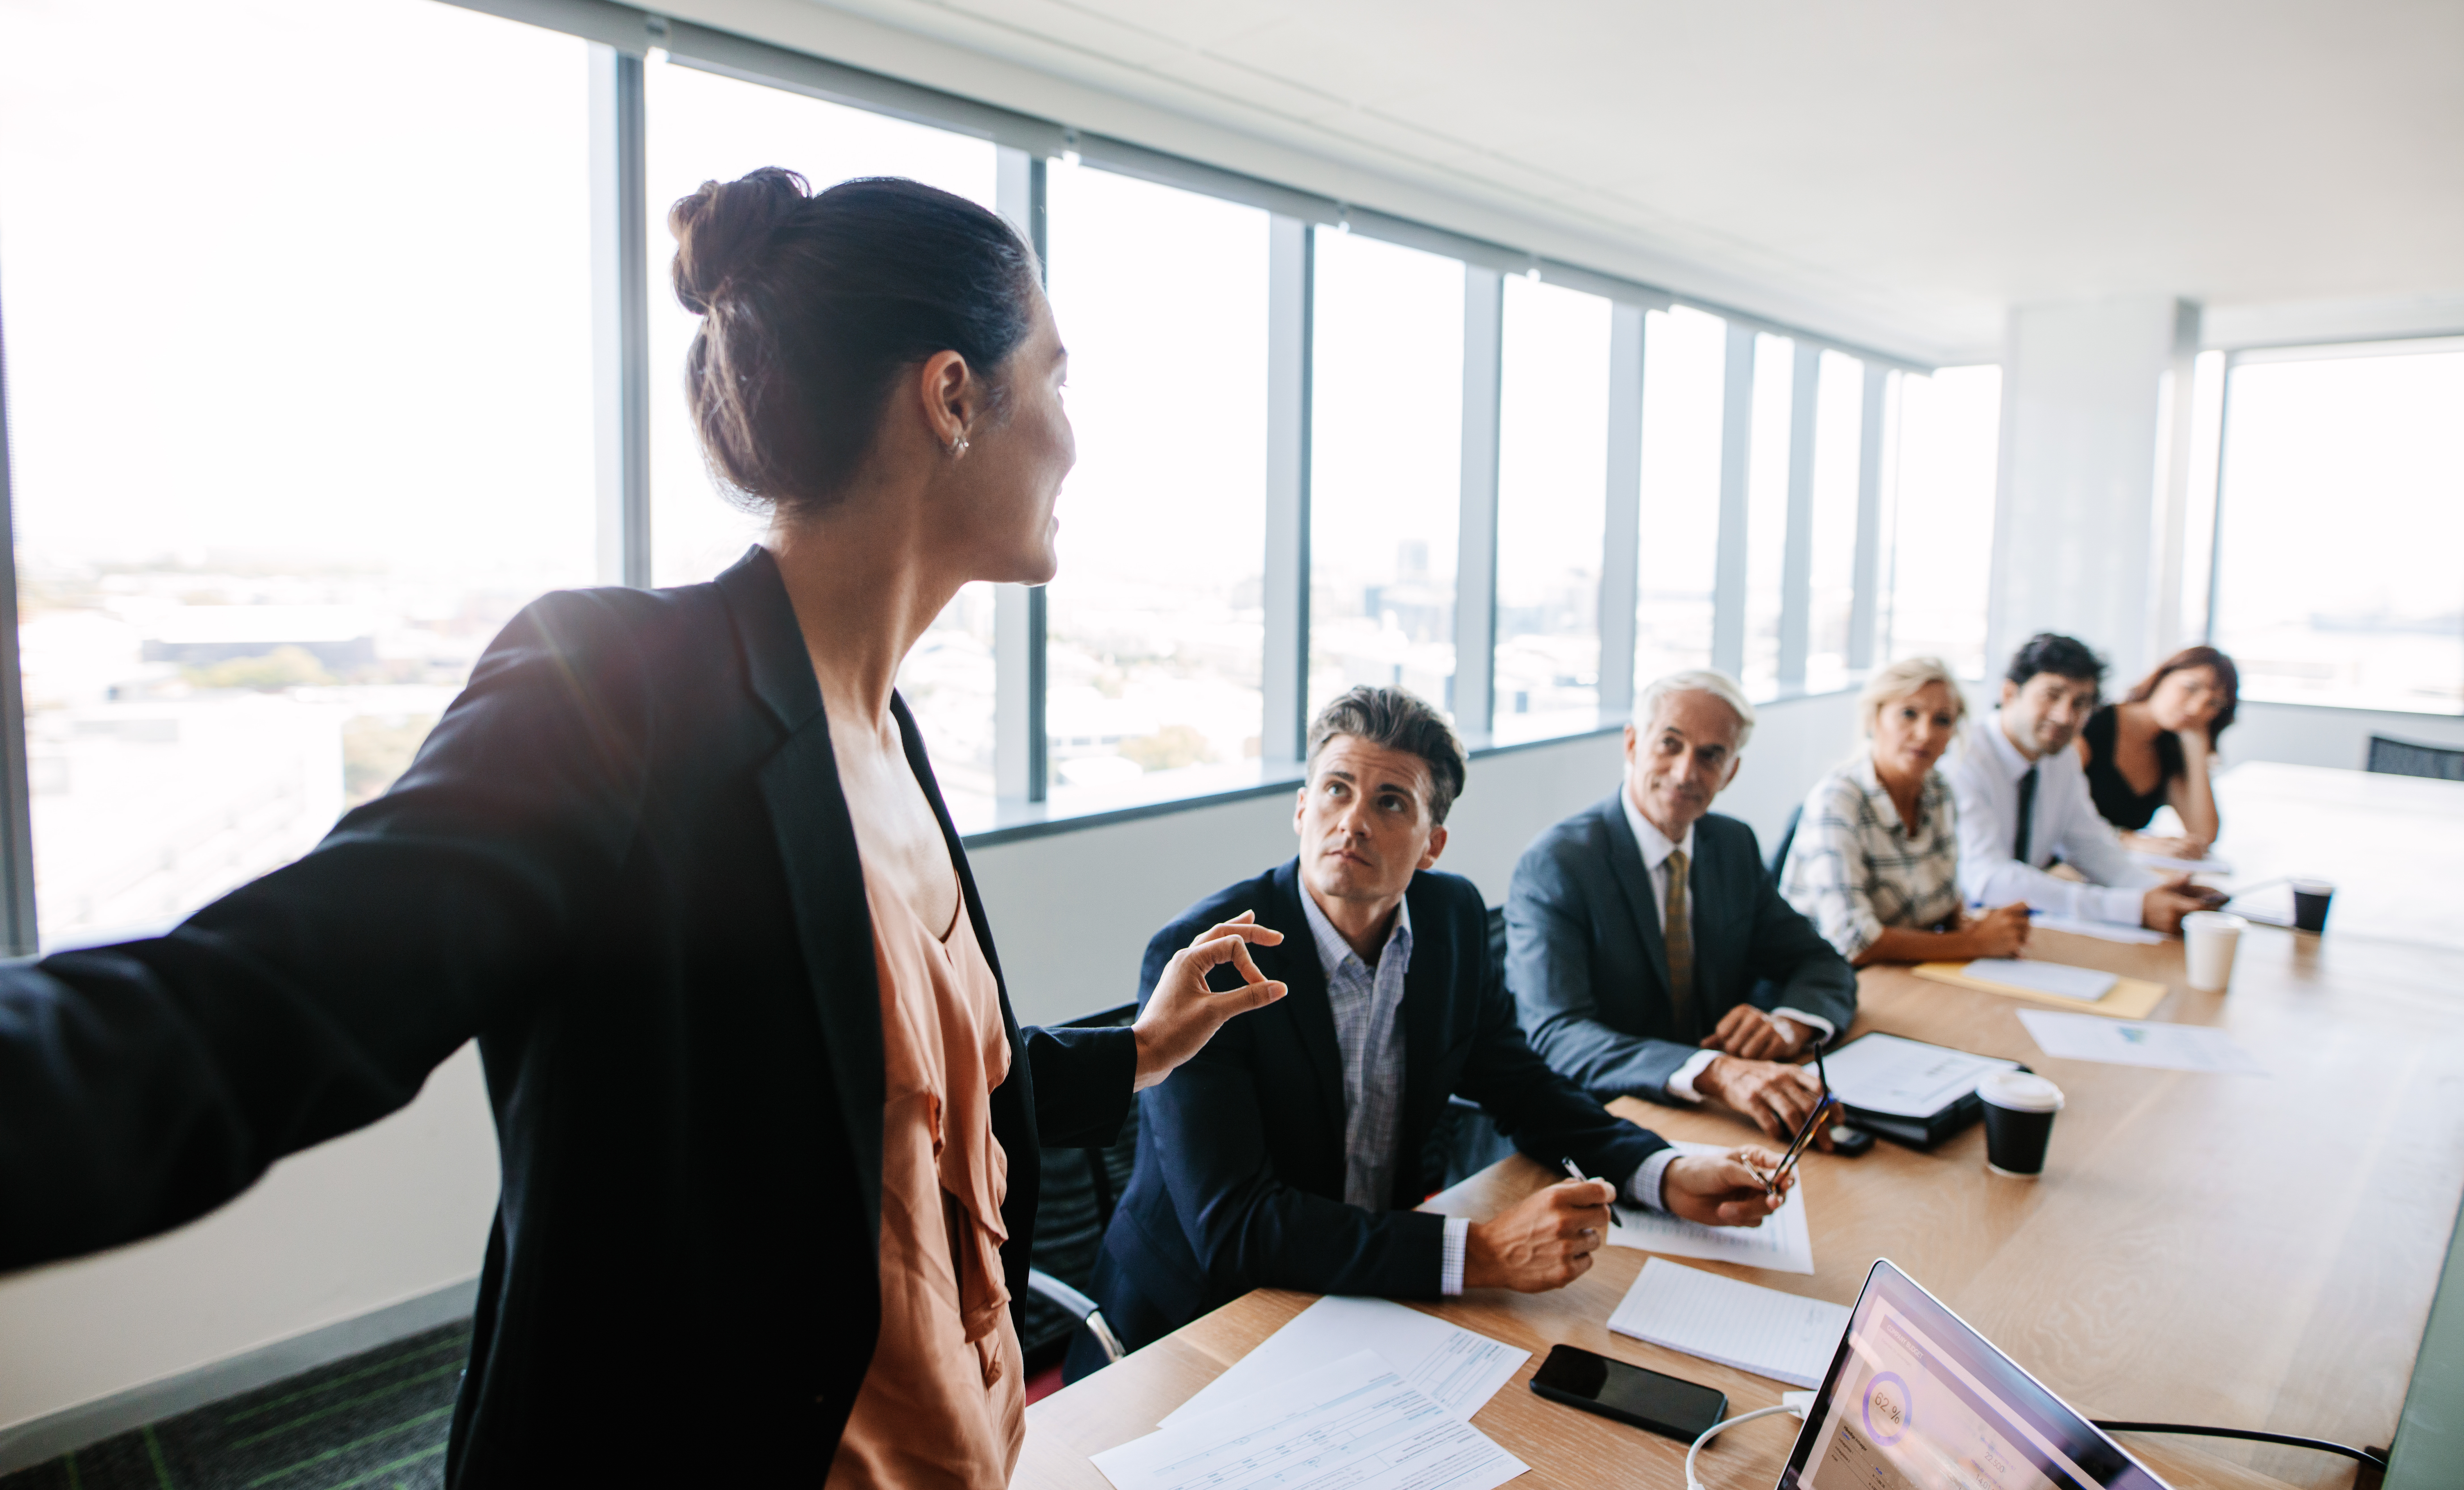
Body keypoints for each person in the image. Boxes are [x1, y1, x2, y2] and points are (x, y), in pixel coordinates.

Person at [0, 172, 1287, 1487]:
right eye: (1056, 381)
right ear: (952, 397)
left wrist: (1134, 1049)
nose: (1073, 435)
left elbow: (892, 1099)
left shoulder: (887, 731)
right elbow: (250, 1007)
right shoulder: (623, 690)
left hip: (959, 1445)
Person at [1077, 687, 1788, 1376]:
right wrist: (1482, 1250)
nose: (1352, 822)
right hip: (1196, 1325)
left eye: (1390, 802)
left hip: (1372, 1293)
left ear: (1431, 844)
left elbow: (1520, 1084)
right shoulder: (1213, 960)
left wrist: (1661, 1171)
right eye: (1335, 790)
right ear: (1300, 808)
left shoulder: (1451, 921)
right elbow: (1235, 1226)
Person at [1507, 670, 1859, 1147]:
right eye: (1669, 744)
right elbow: (1558, 1034)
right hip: (1606, 1122)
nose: (1685, 772)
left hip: (1723, 1119)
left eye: (1711, 754)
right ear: (1632, 744)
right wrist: (1715, 1072)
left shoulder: (1731, 844)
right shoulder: (1558, 863)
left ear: (1730, 771)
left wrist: (1788, 1025)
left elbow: (1819, 961)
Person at [1942, 633, 2224, 933]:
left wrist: (2156, 891)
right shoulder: (1964, 757)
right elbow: (1987, 880)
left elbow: (2090, 845)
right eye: (2052, 695)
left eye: (2081, 703)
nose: (2065, 716)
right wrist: (2132, 908)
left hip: (2017, 930)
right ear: (2010, 693)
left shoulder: (2059, 757)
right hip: (1955, 930)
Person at [1782, 658, 2031, 965]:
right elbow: (1853, 941)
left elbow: (1945, 897)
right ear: (1875, 718)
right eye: (1909, 714)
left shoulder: (1938, 789)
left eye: (1942, 720)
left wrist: (1970, 926)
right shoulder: (1838, 799)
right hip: (1829, 978)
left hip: (1903, 971)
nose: (1925, 734)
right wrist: (1975, 942)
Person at [2076, 645, 2240, 858]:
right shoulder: (2093, 727)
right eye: (2190, 688)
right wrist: (2128, 840)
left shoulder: (2168, 749)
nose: (2196, 709)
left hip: (2114, 869)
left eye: (2214, 704)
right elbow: (2055, 817)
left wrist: (2198, 750)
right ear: (2162, 677)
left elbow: (2204, 836)